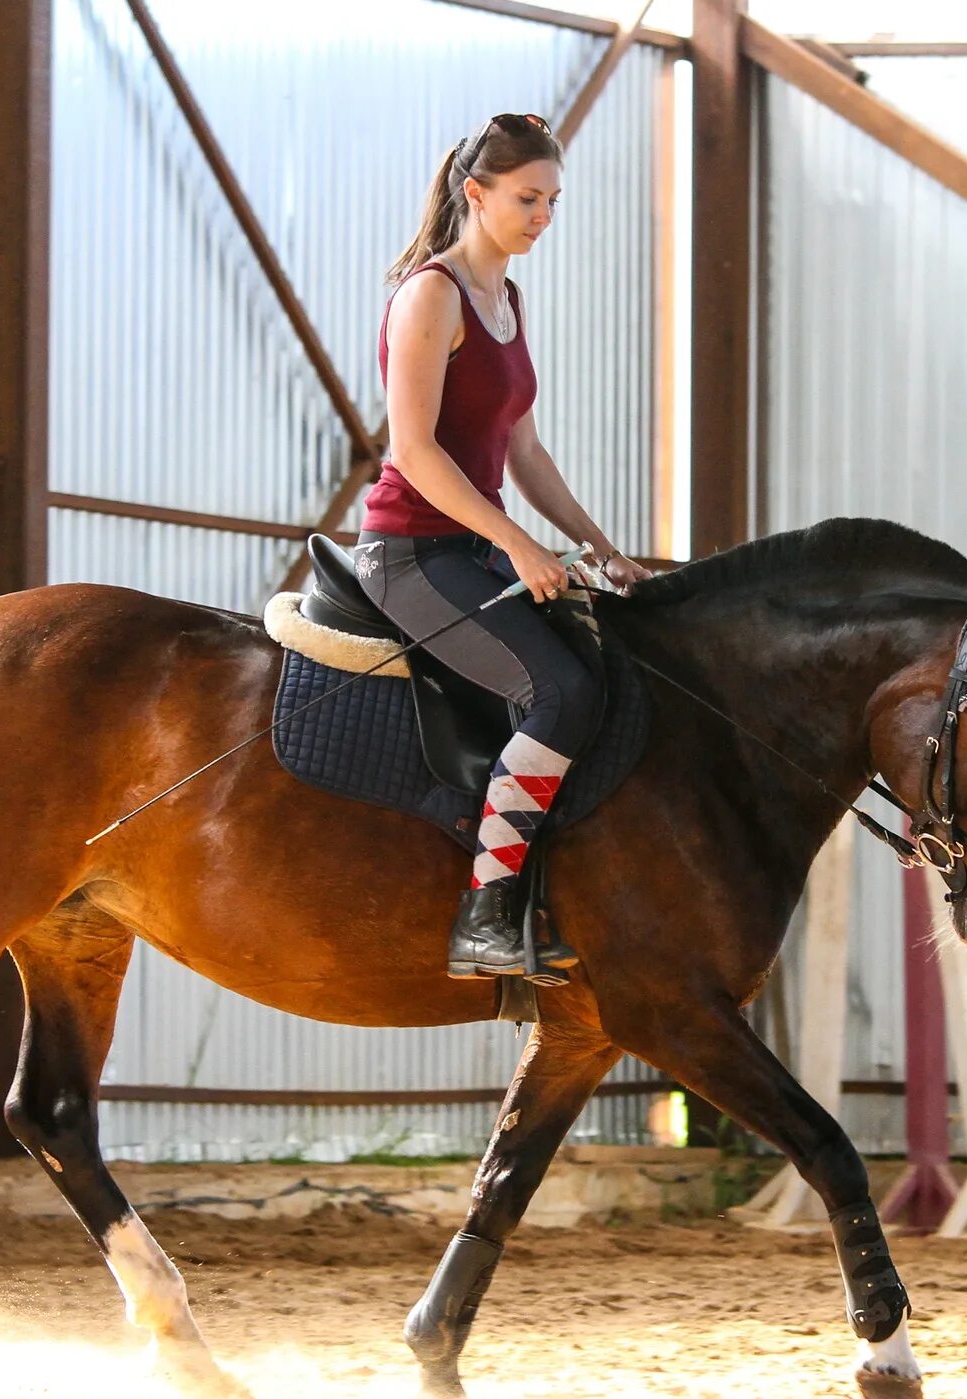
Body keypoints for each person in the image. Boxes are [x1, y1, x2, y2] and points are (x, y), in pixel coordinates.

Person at [360, 111, 652, 983]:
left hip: (475, 549)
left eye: (553, 201)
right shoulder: (432, 295)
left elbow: (522, 449)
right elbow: (414, 450)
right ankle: (486, 917)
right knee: (559, 689)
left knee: (611, 670)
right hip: (412, 551)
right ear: (475, 193)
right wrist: (521, 545)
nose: (543, 217)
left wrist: (598, 546)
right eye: (528, 199)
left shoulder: (507, 300)